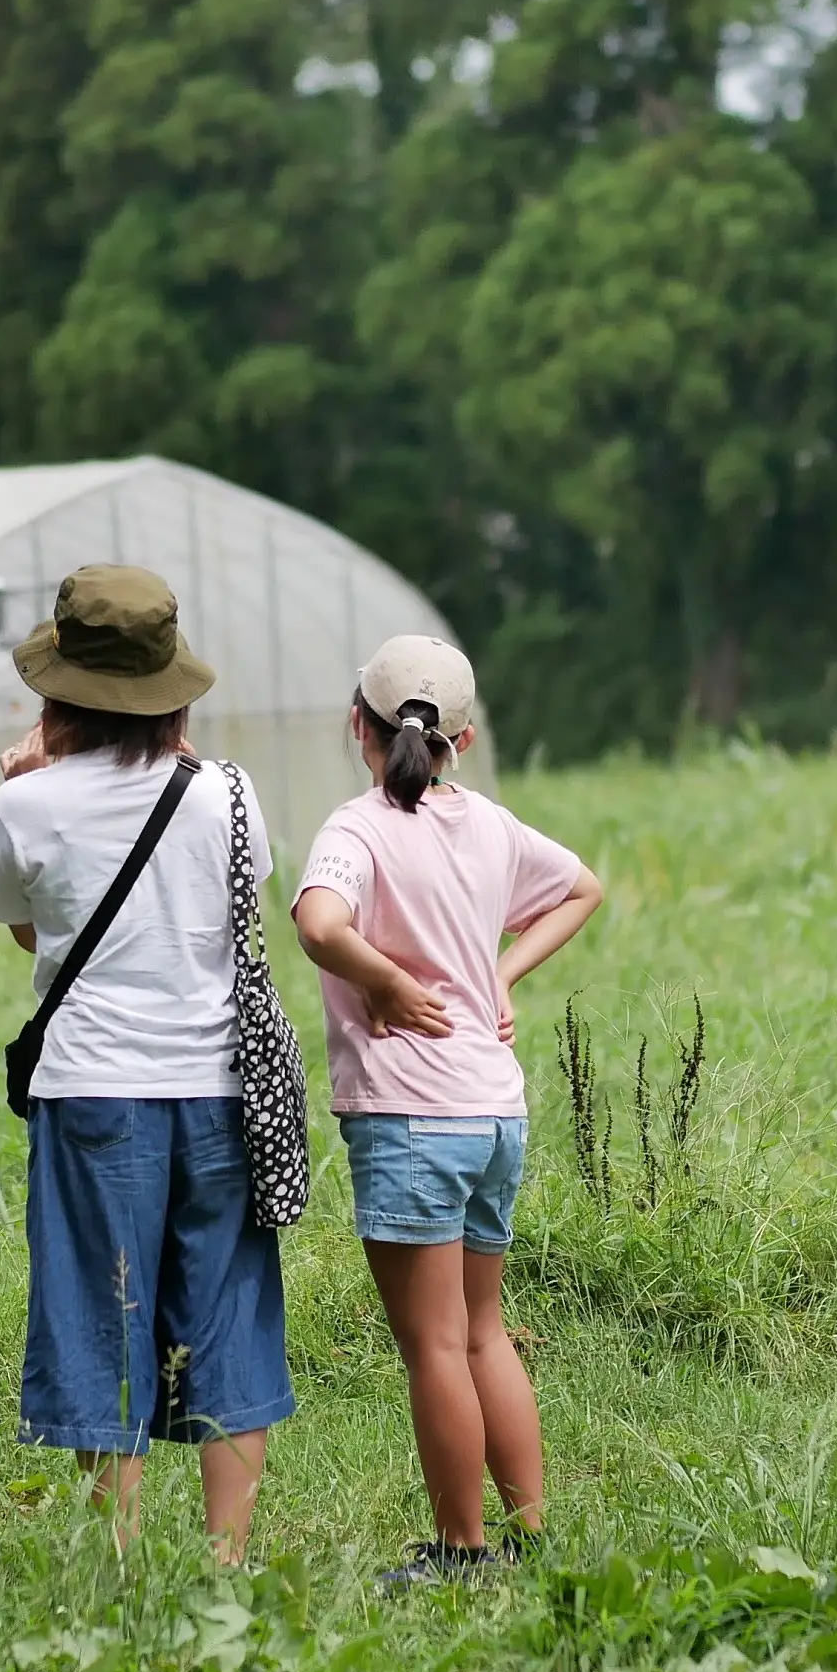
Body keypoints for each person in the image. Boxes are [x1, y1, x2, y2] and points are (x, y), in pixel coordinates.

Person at [0, 565, 293, 1564]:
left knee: (97, 1309)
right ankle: (225, 1562)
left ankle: (117, 1559)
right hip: (217, 1090)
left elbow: (35, 934)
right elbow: (236, 904)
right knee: (227, 1308)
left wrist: (19, 779)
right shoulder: (228, 792)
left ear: (58, 686)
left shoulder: (24, 804)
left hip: (90, 1094)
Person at [287, 637, 603, 1586]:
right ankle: (532, 1532)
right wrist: (497, 971)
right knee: (481, 1329)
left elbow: (314, 923)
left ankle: (464, 1552)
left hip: (411, 1114)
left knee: (431, 1345)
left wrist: (380, 977)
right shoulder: (491, 825)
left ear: (358, 726)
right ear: (462, 735)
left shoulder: (356, 829)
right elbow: (583, 887)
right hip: (493, 1112)